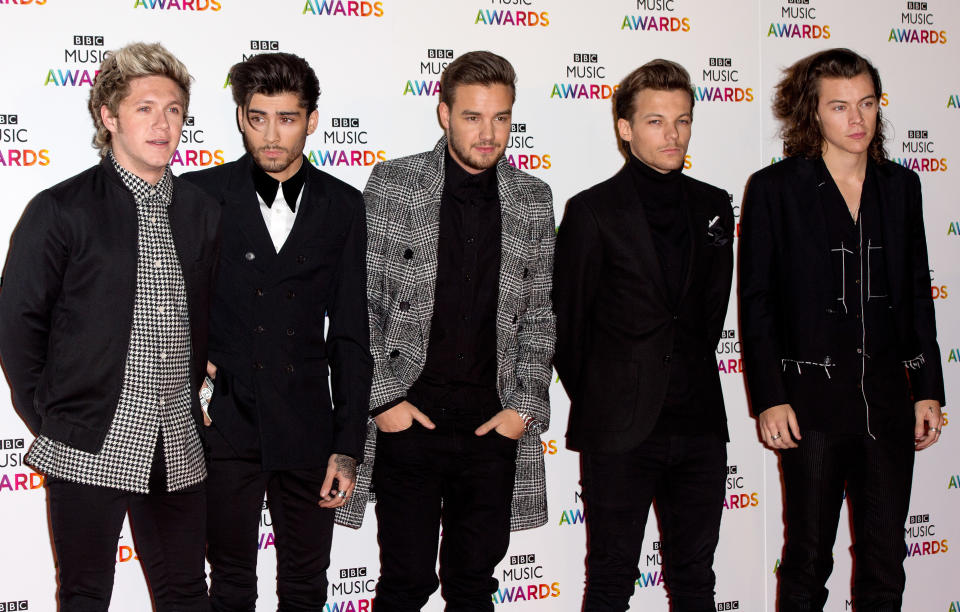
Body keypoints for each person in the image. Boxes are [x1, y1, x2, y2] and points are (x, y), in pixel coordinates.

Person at [0, 42, 218, 611]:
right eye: (144, 107)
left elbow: (212, 314)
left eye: (173, 109)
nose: (161, 123)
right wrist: (52, 415)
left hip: (177, 437)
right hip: (88, 439)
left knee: (186, 593)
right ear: (108, 116)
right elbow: (18, 325)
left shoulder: (200, 211)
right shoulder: (60, 209)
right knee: (86, 594)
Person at [336, 50, 556, 611]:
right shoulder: (394, 182)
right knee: (404, 584)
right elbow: (360, 301)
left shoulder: (533, 199)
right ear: (444, 114)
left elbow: (540, 314)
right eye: (472, 117)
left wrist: (523, 409)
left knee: (473, 587)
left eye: (501, 118)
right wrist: (384, 400)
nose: (488, 134)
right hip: (411, 419)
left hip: (492, 424)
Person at [739, 48, 945, 611]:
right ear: (812, 114)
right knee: (807, 559)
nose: (857, 119)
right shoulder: (775, 189)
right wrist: (770, 398)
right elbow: (756, 303)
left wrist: (927, 387)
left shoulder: (901, 187)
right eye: (839, 107)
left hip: (886, 400)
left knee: (885, 562)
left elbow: (915, 294)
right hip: (810, 402)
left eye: (867, 103)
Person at [181, 52, 372, 611]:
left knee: (308, 583)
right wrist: (197, 378)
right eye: (258, 116)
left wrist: (347, 447)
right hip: (224, 425)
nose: (271, 134)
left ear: (312, 120)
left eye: (287, 118)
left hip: (307, 425)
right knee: (231, 581)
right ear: (240, 116)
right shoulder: (199, 195)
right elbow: (166, 308)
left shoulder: (344, 204)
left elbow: (352, 334)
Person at [553, 59, 734, 611]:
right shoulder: (591, 211)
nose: (672, 134)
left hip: (700, 423)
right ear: (625, 129)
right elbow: (568, 329)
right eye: (655, 121)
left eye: (682, 120)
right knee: (610, 580)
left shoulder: (714, 205)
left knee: (696, 579)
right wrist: (609, 397)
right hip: (619, 430)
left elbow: (709, 313)